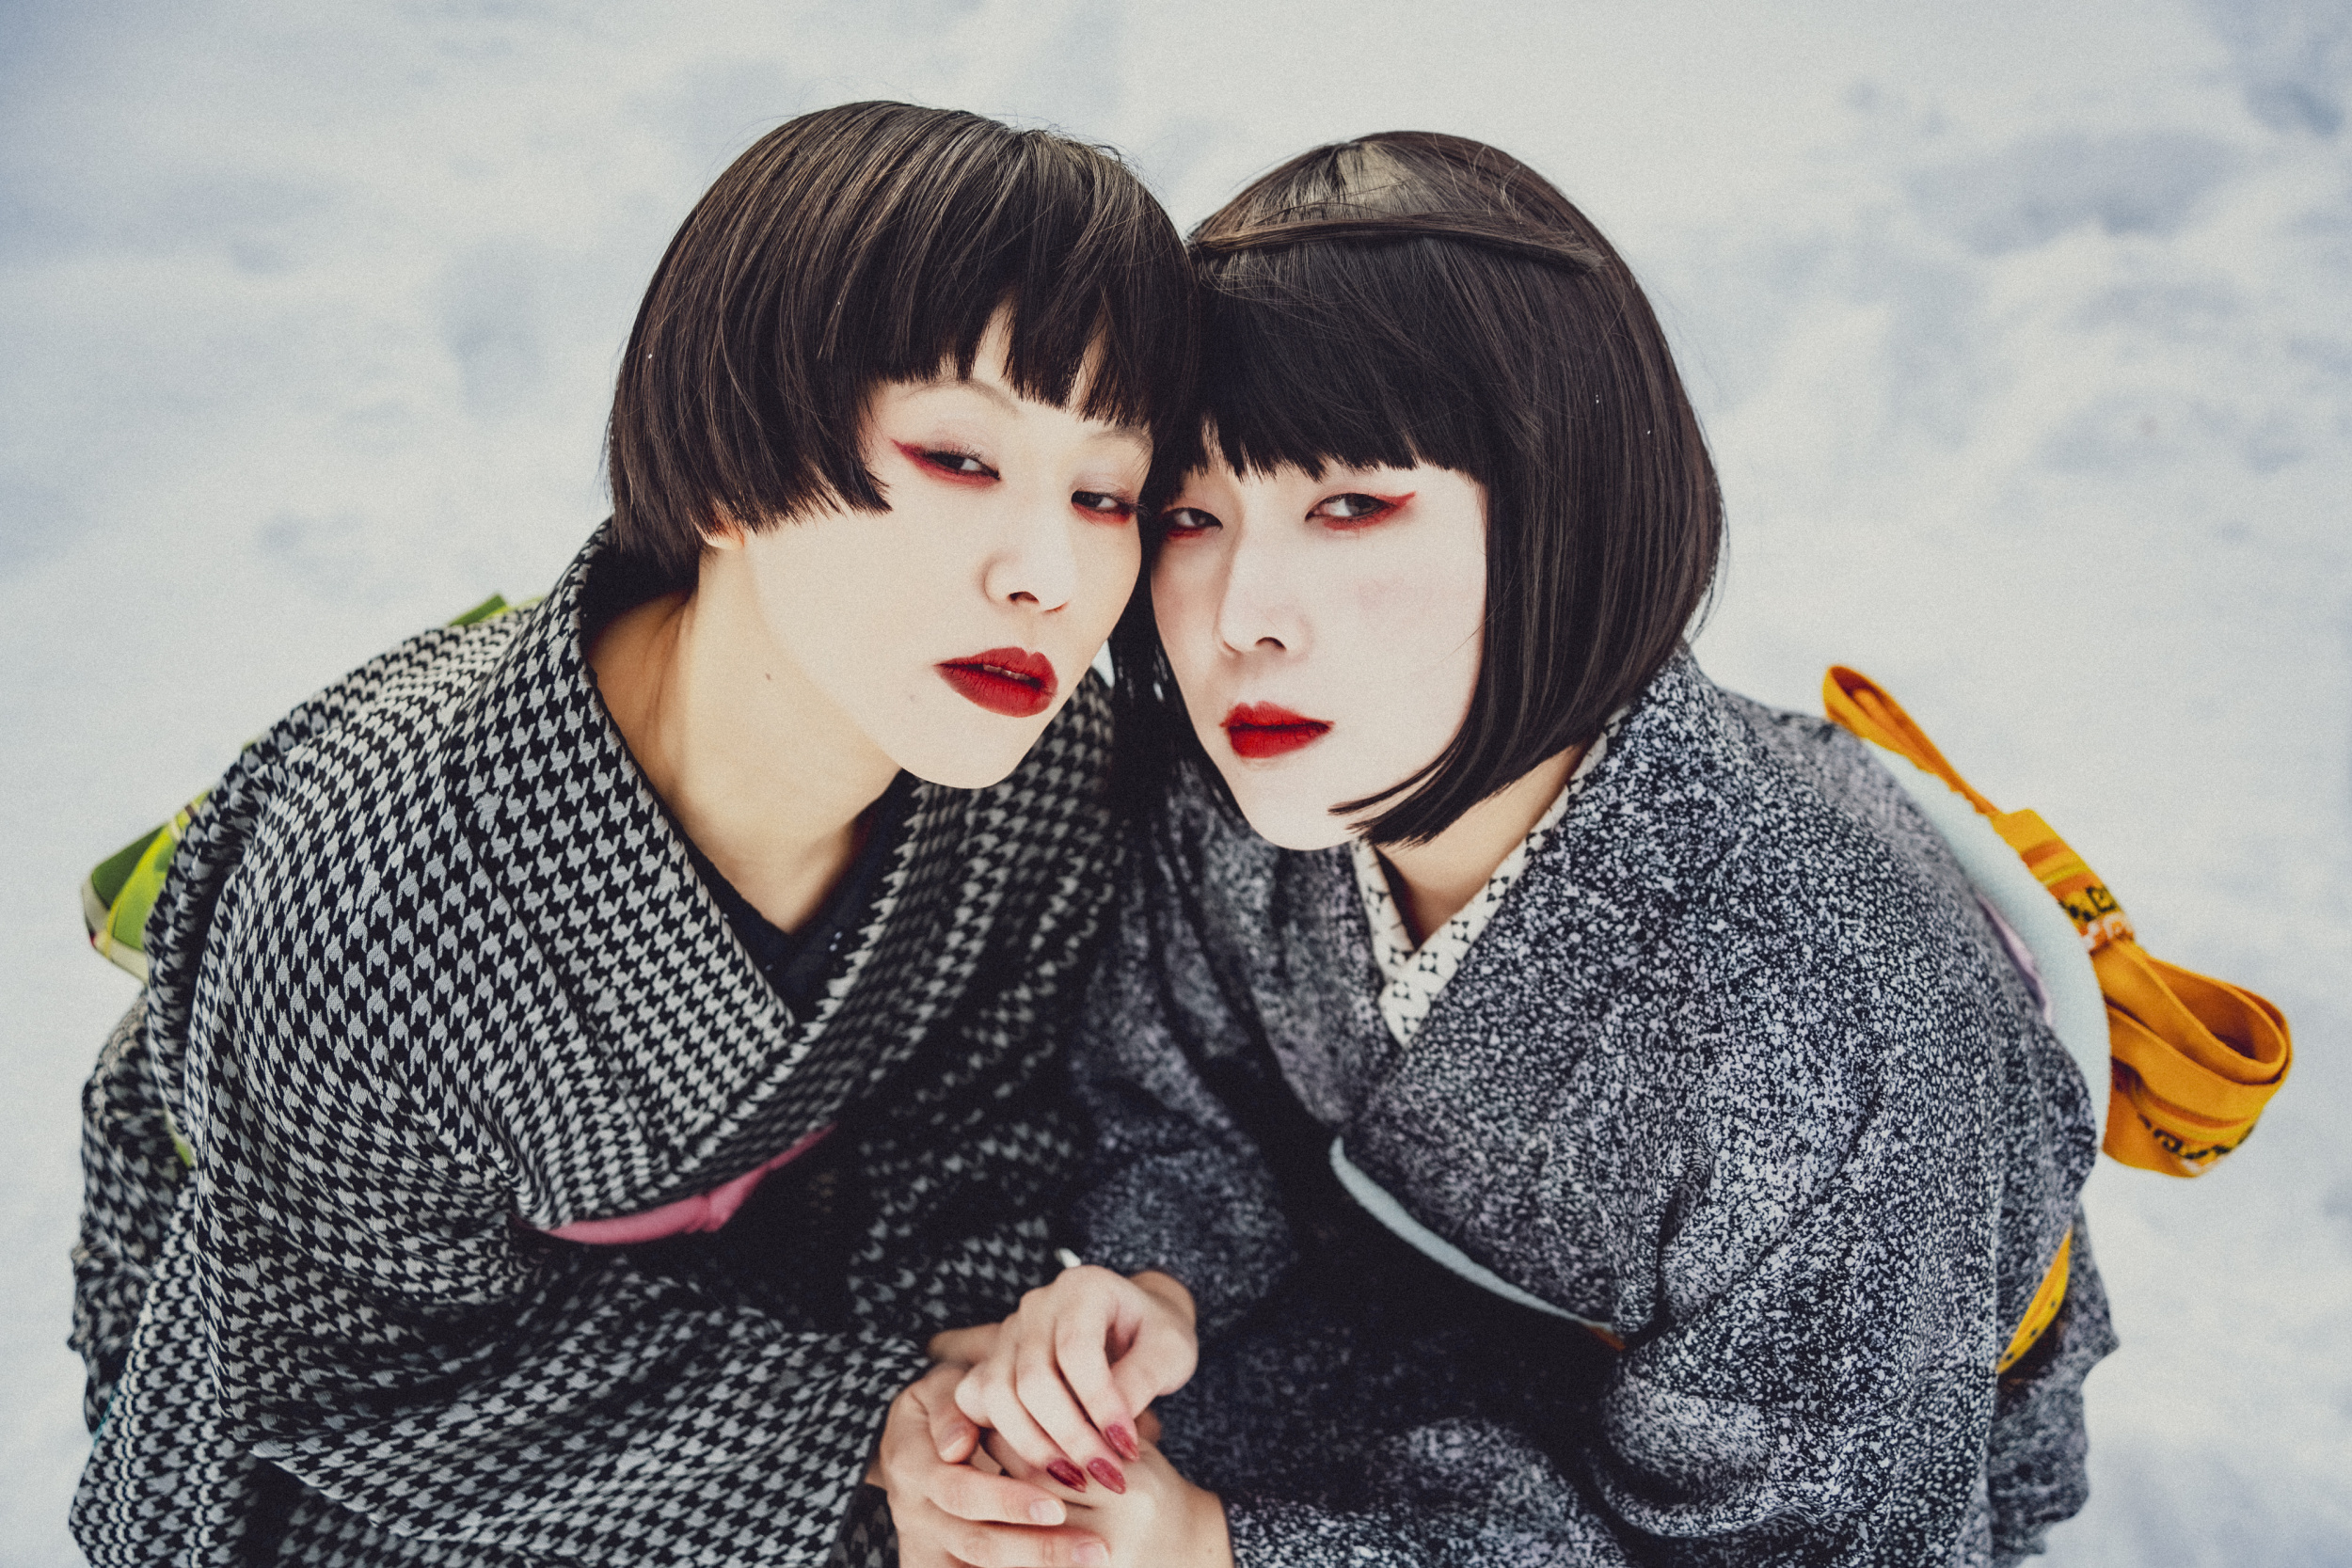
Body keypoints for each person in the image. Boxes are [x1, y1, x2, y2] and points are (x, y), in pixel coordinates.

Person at [941, 132, 2115, 1566]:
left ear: (1569, 510)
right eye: (1193, 515)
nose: (1241, 613)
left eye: (1352, 505)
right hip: (1402, 1334)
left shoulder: (1832, 1021)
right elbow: (1178, 1100)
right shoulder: (1265, 787)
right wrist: (1155, 1283)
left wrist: (1233, 1550)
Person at [67, 101, 1190, 1567]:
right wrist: (856, 1428)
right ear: (730, 467)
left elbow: (975, 1122)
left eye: (1105, 493)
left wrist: (973, 1409)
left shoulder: (1043, 775)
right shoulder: (373, 888)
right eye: (961, 460)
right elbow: (350, 1367)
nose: (1049, 574)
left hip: (782, 1280)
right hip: (386, 1398)